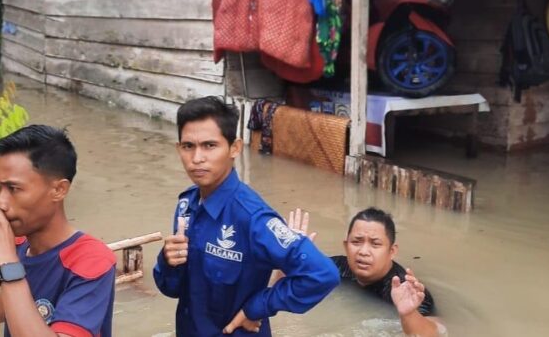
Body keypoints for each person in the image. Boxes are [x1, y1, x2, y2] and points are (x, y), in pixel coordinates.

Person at [153, 96, 339, 336]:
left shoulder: (253, 218)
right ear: (179, 148)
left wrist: (258, 307)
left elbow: (322, 274)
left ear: (235, 148)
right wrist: (167, 261)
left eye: (209, 145)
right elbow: (172, 289)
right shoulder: (186, 205)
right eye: (188, 146)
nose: (197, 158)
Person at [0, 125, 117, 337]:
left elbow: (14, 282)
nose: (0, 203)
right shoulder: (19, 245)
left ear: (58, 190)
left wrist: (7, 264)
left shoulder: (91, 261)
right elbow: (19, 296)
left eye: (14, 189)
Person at [280, 207, 444, 337]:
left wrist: (408, 315)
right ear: (346, 246)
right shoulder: (336, 268)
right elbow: (282, 290)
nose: (363, 251)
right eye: (357, 242)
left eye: (375, 244)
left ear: (392, 251)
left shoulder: (407, 290)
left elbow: (438, 332)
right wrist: (288, 258)